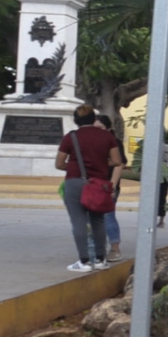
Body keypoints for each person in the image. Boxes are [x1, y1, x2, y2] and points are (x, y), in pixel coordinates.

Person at [55, 104, 124, 272]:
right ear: (94, 119)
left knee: (78, 221)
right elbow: (116, 161)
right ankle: (100, 259)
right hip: (98, 183)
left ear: (75, 121)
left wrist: (74, 166)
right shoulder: (107, 137)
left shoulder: (70, 137)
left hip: (75, 182)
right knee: (98, 221)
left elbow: (59, 164)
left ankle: (84, 261)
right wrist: (100, 164)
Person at [92, 113, 127, 262]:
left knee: (108, 216)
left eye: (100, 128)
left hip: (108, 184)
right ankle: (96, 248)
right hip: (93, 184)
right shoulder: (91, 142)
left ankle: (115, 248)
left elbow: (120, 164)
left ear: (108, 128)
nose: (97, 131)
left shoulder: (114, 142)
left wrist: (112, 185)